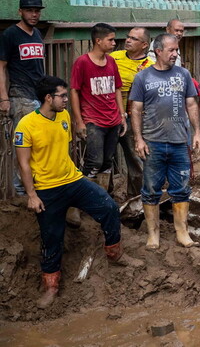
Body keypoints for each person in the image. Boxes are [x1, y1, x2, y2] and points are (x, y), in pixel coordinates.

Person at [16, 76, 143, 309]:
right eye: (62, 96)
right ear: (48, 98)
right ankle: (51, 286)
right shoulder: (26, 125)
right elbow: (23, 164)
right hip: (47, 189)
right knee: (51, 237)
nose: (66, 99)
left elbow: (66, 149)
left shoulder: (63, 116)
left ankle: (115, 253)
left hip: (73, 180)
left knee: (108, 207)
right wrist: (32, 195)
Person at [130, 34, 200, 250]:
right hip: (153, 142)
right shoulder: (143, 78)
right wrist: (138, 139)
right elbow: (135, 109)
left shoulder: (183, 74)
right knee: (151, 189)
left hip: (180, 142)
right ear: (158, 51)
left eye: (176, 50)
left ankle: (182, 232)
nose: (175, 54)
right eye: (171, 50)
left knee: (181, 188)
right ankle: (153, 234)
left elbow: (191, 104)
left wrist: (197, 132)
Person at [69, 23, 125, 195]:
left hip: (113, 120)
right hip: (93, 121)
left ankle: (102, 200)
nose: (114, 43)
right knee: (94, 161)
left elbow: (117, 88)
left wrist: (122, 115)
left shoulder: (111, 62)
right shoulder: (82, 63)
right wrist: (79, 121)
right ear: (98, 41)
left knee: (108, 161)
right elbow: (74, 91)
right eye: (111, 40)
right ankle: (80, 203)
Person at [0, 0, 47, 196]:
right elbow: (1, 68)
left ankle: (34, 188)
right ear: (20, 11)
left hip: (38, 95)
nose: (34, 14)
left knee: (40, 143)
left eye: (37, 11)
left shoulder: (37, 33)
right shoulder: (10, 35)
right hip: (20, 96)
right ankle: (21, 192)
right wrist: (3, 98)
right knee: (24, 145)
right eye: (29, 10)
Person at [111, 27, 154, 199]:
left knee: (137, 161)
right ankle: (105, 199)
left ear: (144, 45)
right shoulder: (113, 57)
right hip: (109, 114)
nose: (128, 40)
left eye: (133, 39)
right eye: (127, 37)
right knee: (103, 161)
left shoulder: (150, 67)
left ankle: (135, 200)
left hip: (134, 118)